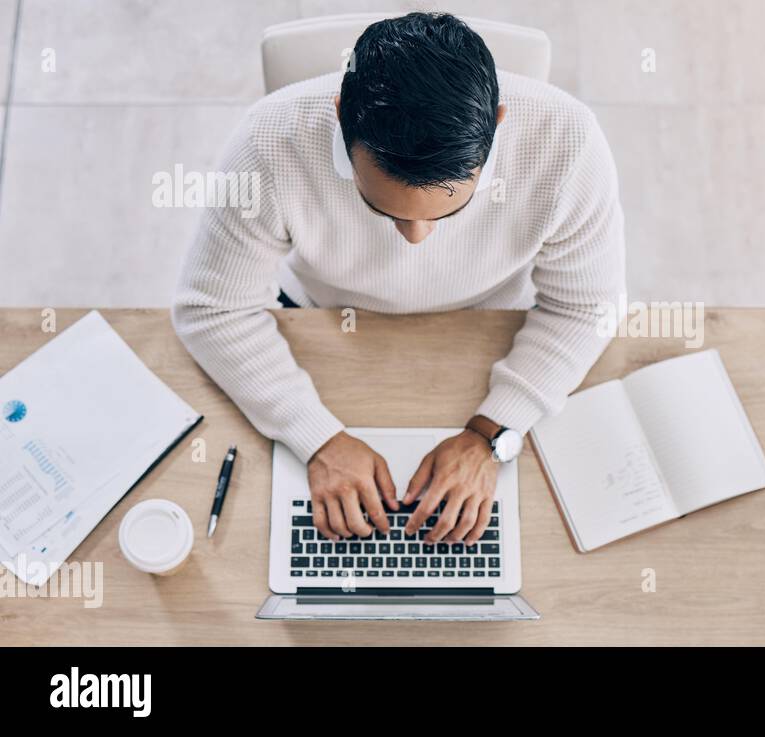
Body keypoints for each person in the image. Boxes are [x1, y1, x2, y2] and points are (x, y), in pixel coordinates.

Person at [172, 12, 624, 546]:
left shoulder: (569, 142)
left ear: (499, 125)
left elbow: (587, 308)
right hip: (322, 319)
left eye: (447, 212)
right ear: (340, 119)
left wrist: (492, 433)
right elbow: (212, 308)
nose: (414, 240)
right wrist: (315, 437)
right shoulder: (267, 141)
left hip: (488, 321)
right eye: (382, 209)